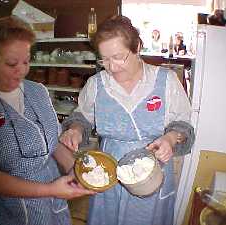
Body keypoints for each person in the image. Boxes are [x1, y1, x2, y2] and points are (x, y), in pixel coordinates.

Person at [0, 16, 93, 225]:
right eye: (11, 63)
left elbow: (52, 144)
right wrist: (49, 190)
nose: (22, 70)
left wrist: (74, 169)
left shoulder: (38, 91)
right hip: (6, 208)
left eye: (26, 61)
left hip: (50, 203)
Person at [59, 15, 195, 225]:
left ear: (137, 47)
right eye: (104, 59)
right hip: (109, 171)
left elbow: (183, 125)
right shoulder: (96, 84)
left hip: (150, 173)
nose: (111, 67)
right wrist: (76, 129)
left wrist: (169, 138)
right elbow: (82, 117)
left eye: (118, 57)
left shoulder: (165, 81)